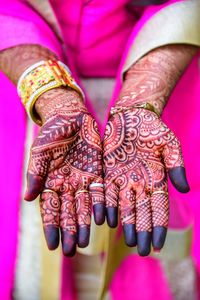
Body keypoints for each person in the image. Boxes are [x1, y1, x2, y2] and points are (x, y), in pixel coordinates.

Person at [0, 0, 199, 299]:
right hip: (24, 94)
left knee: (157, 264)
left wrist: (141, 98)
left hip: (170, 86)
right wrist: (53, 98)